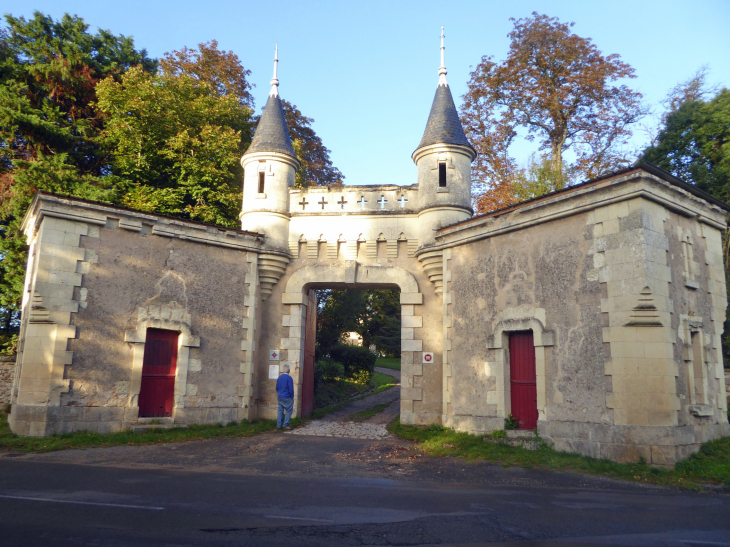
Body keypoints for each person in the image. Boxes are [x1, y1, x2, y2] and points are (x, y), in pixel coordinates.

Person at [276, 364, 294, 430]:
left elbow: (277, 388)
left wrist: (279, 393)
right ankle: (286, 424)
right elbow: (291, 389)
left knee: (280, 410)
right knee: (289, 410)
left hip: (280, 396)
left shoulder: (279, 378)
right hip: (287, 397)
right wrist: (292, 396)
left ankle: (278, 425)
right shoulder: (289, 378)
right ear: (289, 371)